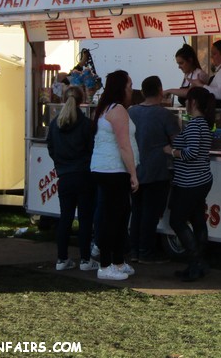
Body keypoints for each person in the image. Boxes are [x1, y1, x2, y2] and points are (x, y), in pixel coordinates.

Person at [90, 70, 140, 281]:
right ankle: (106, 265)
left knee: (119, 216)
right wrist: (133, 174)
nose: (131, 89)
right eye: (129, 85)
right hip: (113, 170)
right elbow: (124, 145)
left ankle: (117, 262)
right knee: (113, 218)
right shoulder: (118, 110)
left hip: (107, 169)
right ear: (121, 88)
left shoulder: (105, 108)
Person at [164, 87, 215, 282]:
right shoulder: (205, 124)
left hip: (189, 182)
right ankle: (199, 262)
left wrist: (172, 151)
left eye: (186, 100)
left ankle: (195, 261)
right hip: (202, 179)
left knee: (177, 221)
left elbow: (191, 153)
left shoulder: (194, 125)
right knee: (197, 220)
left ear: (192, 103)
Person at [128, 76, 180, 263]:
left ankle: (134, 250)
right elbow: (177, 140)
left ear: (142, 92)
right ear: (160, 90)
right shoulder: (165, 115)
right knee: (150, 214)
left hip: (134, 168)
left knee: (137, 211)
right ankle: (146, 252)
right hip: (157, 170)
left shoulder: (131, 112)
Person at [46, 85, 98, 272]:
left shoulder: (55, 124)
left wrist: (60, 163)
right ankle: (85, 259)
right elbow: (92, 148)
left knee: (65, 219)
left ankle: (62, 258)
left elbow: (50, 146)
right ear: (82, 100)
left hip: (65, 176)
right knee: (85, 219)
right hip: (83, 175)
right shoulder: (85, 124)